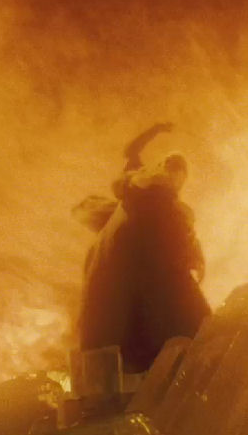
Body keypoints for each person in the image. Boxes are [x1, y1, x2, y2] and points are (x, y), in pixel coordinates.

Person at [77, 124, 211, 374]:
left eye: (179, 172)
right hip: (134, 276)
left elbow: (131, 152)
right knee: (193, 321)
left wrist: (154, 132)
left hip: (122, 278)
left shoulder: (141, 191)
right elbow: (178, 247)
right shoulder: (152, 194)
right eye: (174, 169)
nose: (176, 176)